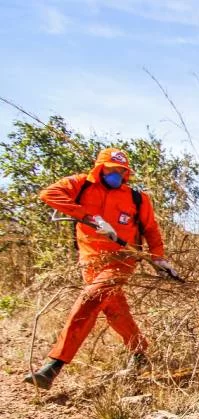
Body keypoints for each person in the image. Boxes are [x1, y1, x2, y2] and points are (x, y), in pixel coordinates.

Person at [23, 148, 179, 389]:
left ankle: (54, 365)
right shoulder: (80, 185)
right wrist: (90, 217)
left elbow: (151, 229)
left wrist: (158, 259)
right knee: (113, 308)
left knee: (91, 298)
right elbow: (48, 194)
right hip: (90, 260)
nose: (117, 174)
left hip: (122, 259)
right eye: (112, 169)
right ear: (100, 168)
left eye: (122, 171)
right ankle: (139, 354)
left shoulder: (137, 198)